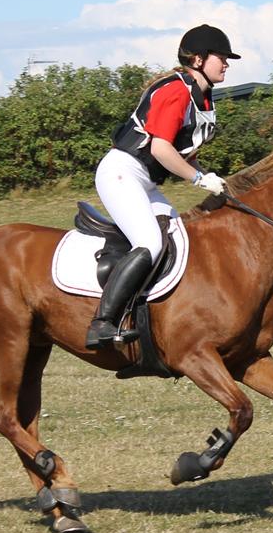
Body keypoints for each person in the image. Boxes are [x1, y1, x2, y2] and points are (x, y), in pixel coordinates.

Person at [85, 24, 240, 349]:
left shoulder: (203, 98)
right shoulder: (177, 90)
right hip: (122, 171)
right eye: (221, 57)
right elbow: (159, 149)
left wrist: (210, 176)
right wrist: (198, 179)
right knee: (151, 243)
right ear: (198, 59)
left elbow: (183, 153)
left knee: (180, 239)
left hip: (145, 180)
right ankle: (102, 323)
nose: (226, 63)